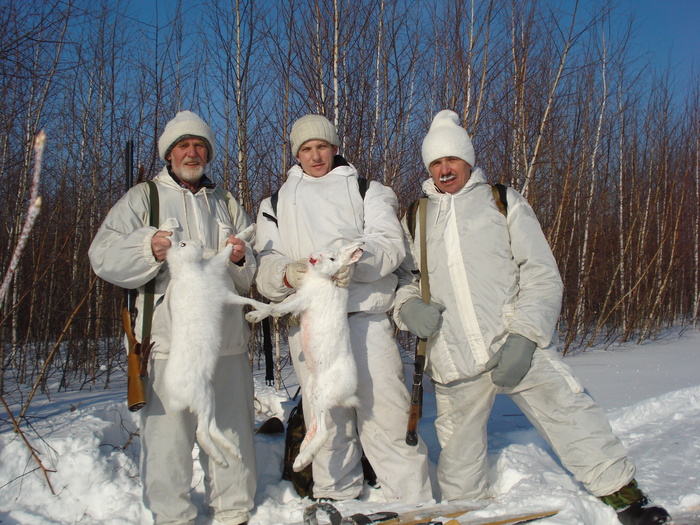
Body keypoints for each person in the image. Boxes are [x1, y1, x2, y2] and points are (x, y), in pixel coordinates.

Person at [393, 110, 670, 525]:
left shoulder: (501, 201)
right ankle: (462, 513)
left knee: (569, 412)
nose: (444, 169)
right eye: (435, 162)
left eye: (451, 160)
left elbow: (541, 272)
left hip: (513, 341)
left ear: (468, 161)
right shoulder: (416, 216)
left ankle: (626, 498)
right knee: (458, 450)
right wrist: (407, 308)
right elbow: (404, 280)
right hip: (452, 355)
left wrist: (525, 336)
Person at [253, 114, 432, 504]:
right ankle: (337, 497)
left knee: (386, 412)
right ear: (296, 154)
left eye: (322, 147)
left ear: (335, 148)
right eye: (306, 149)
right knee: (327, 419)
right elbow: (265, 268)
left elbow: (389, 244)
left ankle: (412, 499)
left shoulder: (369, 190)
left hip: (365, 319)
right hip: (312, 325)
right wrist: (290, 274)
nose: (315, 156)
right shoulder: (275, 203)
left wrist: (354, 264)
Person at [89, 111, 256, 525]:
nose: (192, 152)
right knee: (168, 440)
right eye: (183, 145)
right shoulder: (143, 198)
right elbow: (102, 256)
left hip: (225, 342)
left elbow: (250, 273)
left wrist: (239, 258)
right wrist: (150, 247)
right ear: (169, 153)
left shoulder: (227, 202)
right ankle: (172, 516)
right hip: (164, 342)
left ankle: (234, 511)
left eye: (199, 145)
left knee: (231, 430)